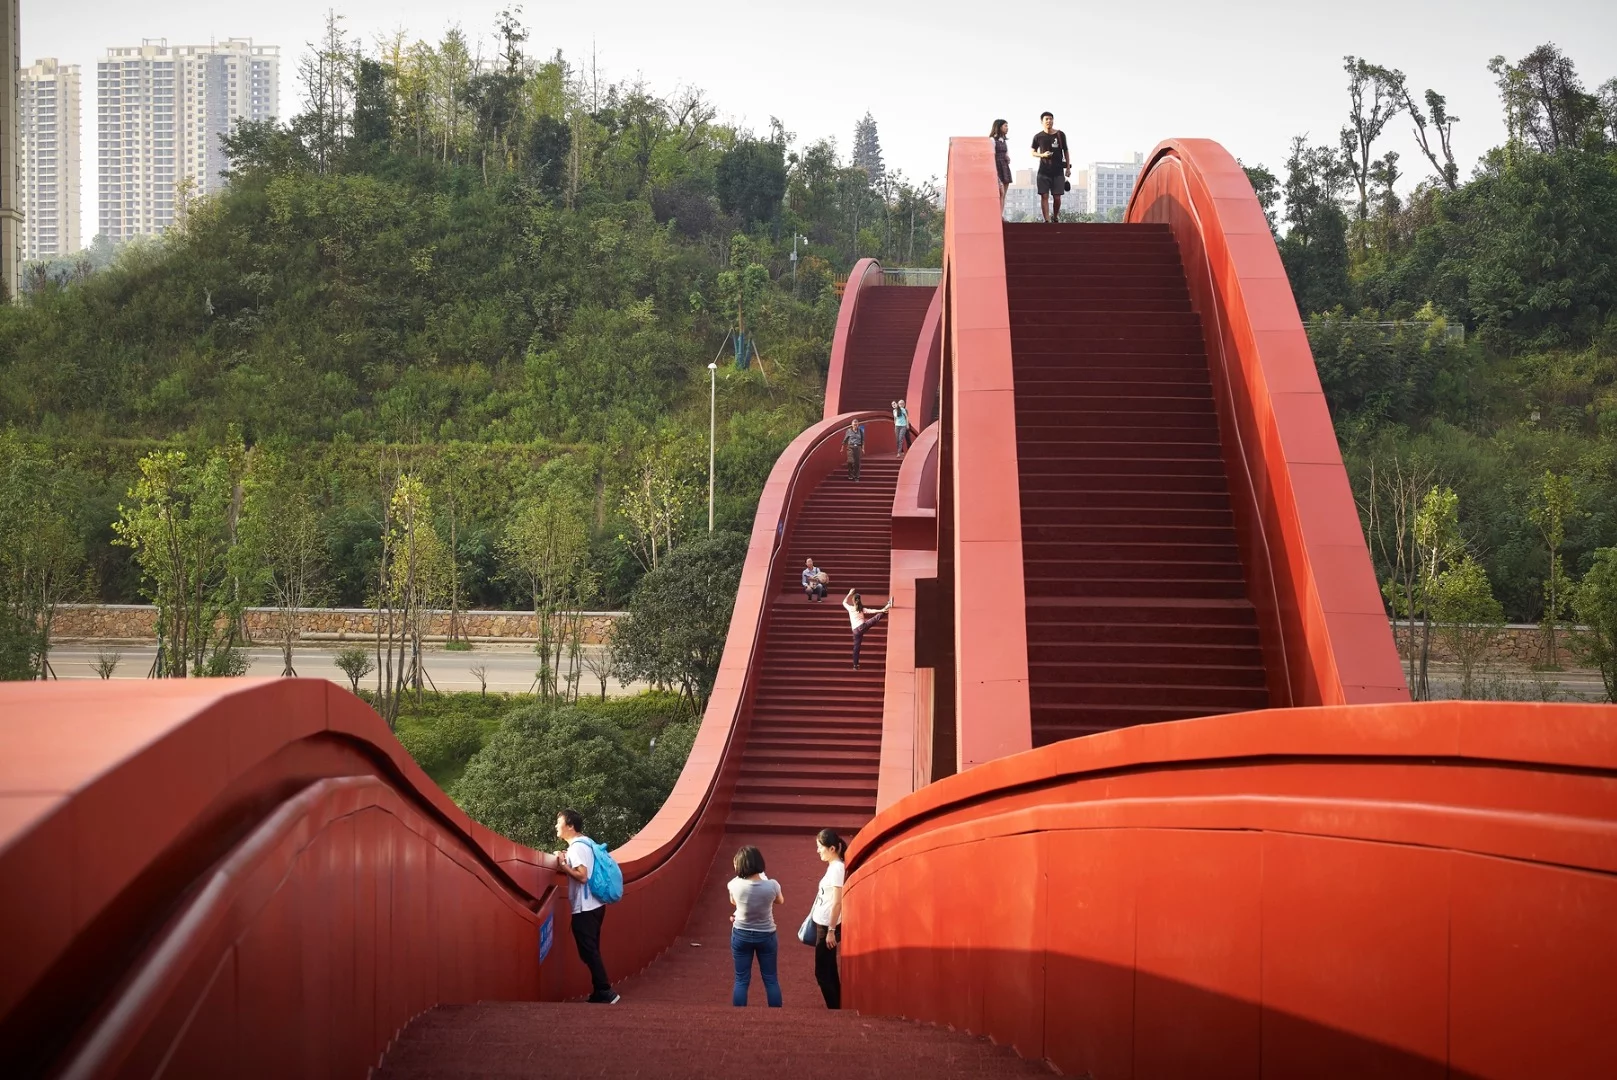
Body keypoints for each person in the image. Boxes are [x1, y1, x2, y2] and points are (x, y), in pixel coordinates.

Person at [555, 808, 620, 1004]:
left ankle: (605, 990)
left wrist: (562, 865)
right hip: (596, 904)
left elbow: (582, 876)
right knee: (591, 949)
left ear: (570, 826)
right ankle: (599, 991)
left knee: (588, 950)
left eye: (559, 823)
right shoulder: (586, 843)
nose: (556, 826)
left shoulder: (577, 847)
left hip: (586, 907)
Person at [727, 845, 785, 1007]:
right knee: (771, 979)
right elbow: (780, 900)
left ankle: (738, 1016)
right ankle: (776, 1014)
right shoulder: (772, 885)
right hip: (766, 934)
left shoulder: (733, 884)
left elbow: (734, 902)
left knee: (741, 979)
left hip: (741, 934)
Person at [810, 829, 848, 1009]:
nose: (818, 851)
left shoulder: (837, 869)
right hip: (823, 923)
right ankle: (837, 1005)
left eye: (820, 847)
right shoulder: (834, 867)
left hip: (827, 926)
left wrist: (831, 931)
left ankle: (834, 1007)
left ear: (832, 848)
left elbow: (837, 902)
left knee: (822, 972)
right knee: (829, 969)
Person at [1031, 111, 1072, 223]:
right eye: (1047, 119)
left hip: (1058, 171)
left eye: (1051, 119)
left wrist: (1068, 168)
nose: (1049, 121)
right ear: (1042, 122)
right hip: (1043, 171)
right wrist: (1042, 155)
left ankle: (1055, 216)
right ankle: (1047, 220)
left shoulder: (1060, 134)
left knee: (1057, 197)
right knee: (1044, 195)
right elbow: (1033, 152)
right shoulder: (1038, 137)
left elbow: (1066, 151)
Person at [843, 589, 892, 671]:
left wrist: (849, 594)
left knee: (856, 648)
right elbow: (871, 611)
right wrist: (881, 610)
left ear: (853, 601)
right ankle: (887, 607)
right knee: (875, 619)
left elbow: (844, 602)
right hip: (862, 627)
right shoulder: (861, 609)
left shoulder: (850, 608)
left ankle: (855, 665)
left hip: (855, 631)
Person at [991, 119, 1012, 208]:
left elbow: (1007, 154)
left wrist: (1007, 157)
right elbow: (991, 155)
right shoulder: (992, 140)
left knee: (1003, 195)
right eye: (1005, 126)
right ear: (999, 127)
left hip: (1005, 167)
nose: (1007, 128)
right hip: (996, 168)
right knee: (999, 192)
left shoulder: (1004, 141)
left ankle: (1000, 215)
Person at [841, 417, 865, 482]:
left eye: (856, 424)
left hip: (858, 447)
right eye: (854, 424)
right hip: (850, 447)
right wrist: (842, 447)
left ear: (858, 424)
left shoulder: (860, 431)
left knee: (857, 463)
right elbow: (845, 439)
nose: (855, 425)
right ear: (852, 424)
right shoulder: (848, 431)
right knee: (850, 461)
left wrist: (863, 448)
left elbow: (862, 440)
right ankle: (850, 474)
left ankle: (856, 477)